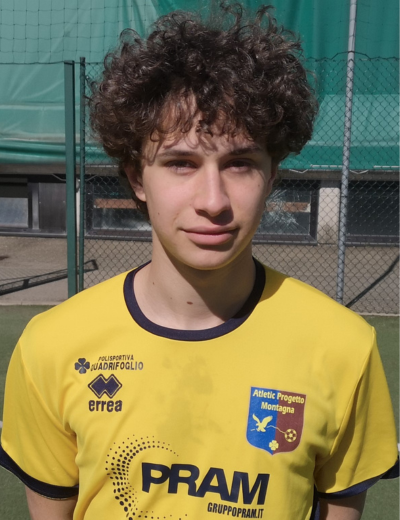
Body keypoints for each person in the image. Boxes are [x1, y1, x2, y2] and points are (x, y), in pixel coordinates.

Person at [0, 4, 398, 520]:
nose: (213, 200)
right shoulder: (52, 346)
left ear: (272, 176)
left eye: (240, 163)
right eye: (181, 163)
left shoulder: (344, 348)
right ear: (137, 178)